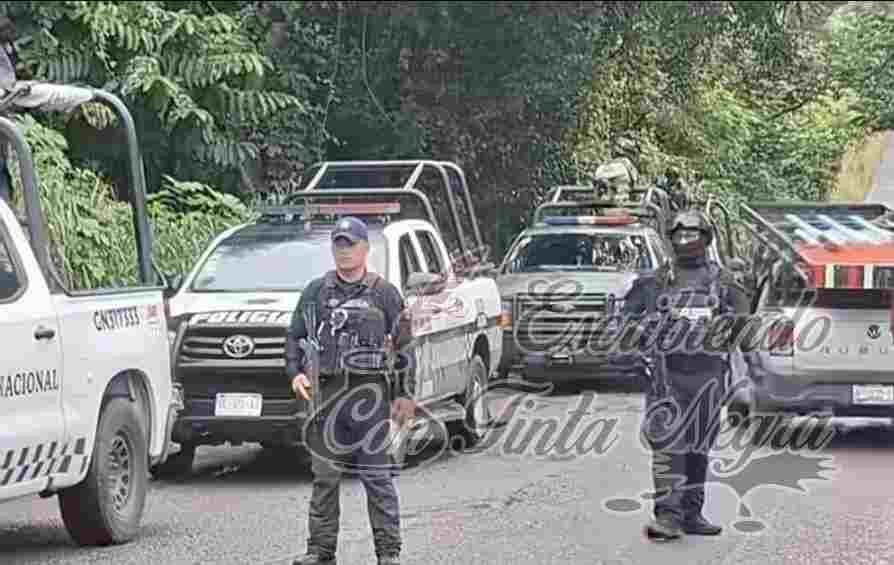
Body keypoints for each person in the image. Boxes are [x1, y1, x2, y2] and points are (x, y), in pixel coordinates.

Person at [285, 216, 416, 565]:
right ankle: (320, 551)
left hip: (369, 395)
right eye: (338, 245)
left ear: (365, 249)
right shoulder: (316, 291)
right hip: (327, 395)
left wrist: (404, 394)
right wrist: (295, 372)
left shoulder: (385, 293)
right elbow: (295, 335)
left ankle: (388, 553)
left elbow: (404, 347)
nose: (344, 252)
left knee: (377, 478)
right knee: (324, 479)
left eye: (351, 245)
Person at [620, 209, 751, 541]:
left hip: (709, 377)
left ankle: (692, 513)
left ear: (705, 239)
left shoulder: (724, 282)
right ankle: (667, 515)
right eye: (678, 236)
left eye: (691, 236)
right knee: (668, 446)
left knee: (698, 448)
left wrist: (728, 335)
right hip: (668, 377)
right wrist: (638, 349)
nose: (684, 241)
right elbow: (625, 321)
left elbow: (745, 325)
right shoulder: (655, 281)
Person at [591, 135, 640, 206]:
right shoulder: (627, 166)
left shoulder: (617, 166)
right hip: (622, 207)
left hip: (612, 208)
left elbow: (597, 175)